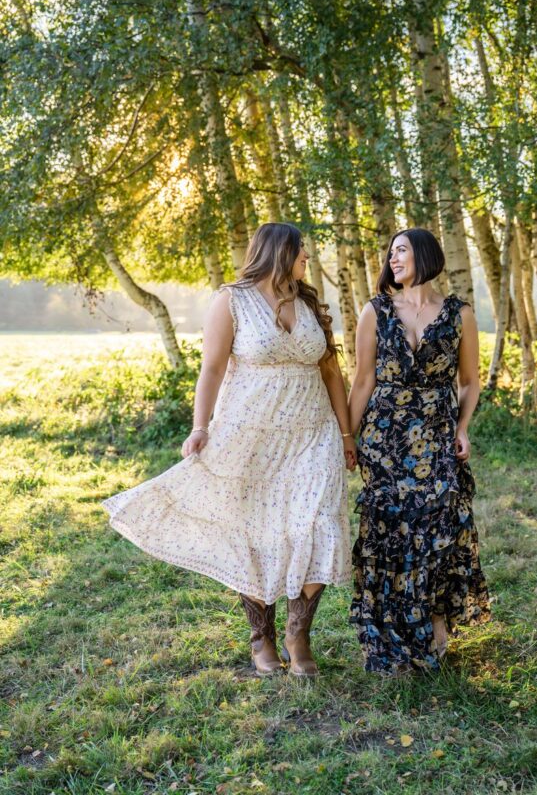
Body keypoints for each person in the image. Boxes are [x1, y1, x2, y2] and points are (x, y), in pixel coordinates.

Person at [103, 222, 356, 678]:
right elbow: (213, 369)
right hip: (250, 435)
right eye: (301, 253)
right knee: (256, 531)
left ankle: (300, 633)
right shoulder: (231, 301)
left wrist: (346, 434)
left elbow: (333, 374)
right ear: (279, 253)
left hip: (312, 435)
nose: (307, 260)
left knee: (321, 524)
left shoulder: (308, 302)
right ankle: (262, 637)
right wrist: (200, 427)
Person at [348, 228, 490, 674]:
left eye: (402, 251)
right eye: (390, 253)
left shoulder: (458, 314)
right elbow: (363, 381)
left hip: (436, 434)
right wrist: (347, 440)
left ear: (425, 256)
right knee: (389, 534)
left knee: (438, 527)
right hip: (383, 439)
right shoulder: (375, 312)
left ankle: (435, 623)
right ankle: (388, 633)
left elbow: (470, 381)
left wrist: (462, 427)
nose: (393, 259)